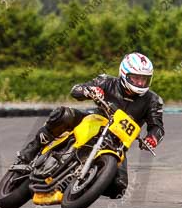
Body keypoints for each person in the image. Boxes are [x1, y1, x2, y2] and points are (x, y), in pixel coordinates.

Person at [15, 52, 165, 198]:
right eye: (136, 78)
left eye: (144, 79)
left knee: (118, 187)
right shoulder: (106, 81)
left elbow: (157, 126)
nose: (140, 83)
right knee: (63, 115)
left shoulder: (152, 100)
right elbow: (76, 89)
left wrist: (152, 138)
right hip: (93, 120)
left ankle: (83, 183)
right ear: (124, 74)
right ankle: (30, 152)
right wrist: (89, 90)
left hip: (117, 142)